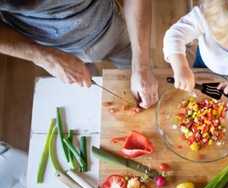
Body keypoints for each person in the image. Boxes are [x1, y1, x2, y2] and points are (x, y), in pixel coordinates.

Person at [0, 0, 158, 109]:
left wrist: (141, 66)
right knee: (88, 93)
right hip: (50, 47)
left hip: (110, 29)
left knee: (139, 75)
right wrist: (45, 58)